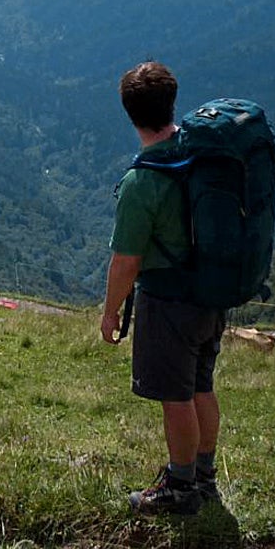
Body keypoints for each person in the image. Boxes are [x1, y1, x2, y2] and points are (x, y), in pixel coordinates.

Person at [100, 60, 223, 515]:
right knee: (200, 386)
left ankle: (180, 487)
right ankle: (205, 479)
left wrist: (111, 310)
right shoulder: (201, 157)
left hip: (169, 300)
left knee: (175, 397)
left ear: (129, 114)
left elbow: (126, 260)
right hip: (210, 292)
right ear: (172, 103)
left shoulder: (143, 181)